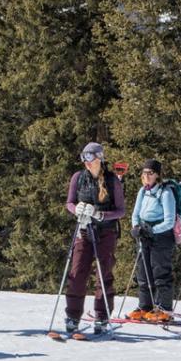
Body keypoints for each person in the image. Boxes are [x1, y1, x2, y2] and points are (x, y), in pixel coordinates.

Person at [64, 142, 125, 334]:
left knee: (103, 273)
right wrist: (77, 210)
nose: (86, 162)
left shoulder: (111, 180)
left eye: (90, 157)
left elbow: (121, 211)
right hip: (84, 231)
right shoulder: (78, 178)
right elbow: (69, 202)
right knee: (77, 272)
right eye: (83, 158)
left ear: (99, 158)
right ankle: (73, 315)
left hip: (105, 232)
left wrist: (100, 214)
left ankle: (102, 316)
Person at [127, 159, 176, 322]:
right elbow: (136, 213)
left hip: (161, 236)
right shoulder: (143, 191)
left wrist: (152, 231)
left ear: (157, 175)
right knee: (143, 271)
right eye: (144, 173)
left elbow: (169, 221)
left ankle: (164, 308)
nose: (146, 176)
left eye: (150, 173)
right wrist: (136, 227)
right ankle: (145, 306)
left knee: (160, 272)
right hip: (144, 234)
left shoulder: (166, 192)